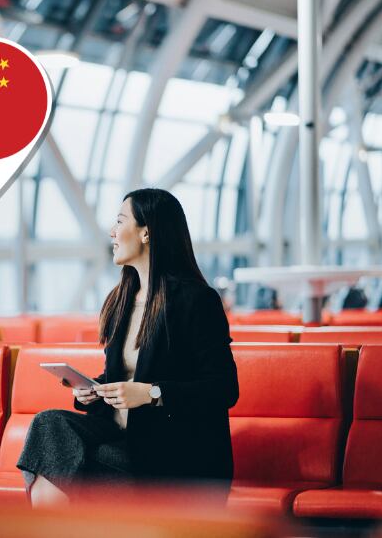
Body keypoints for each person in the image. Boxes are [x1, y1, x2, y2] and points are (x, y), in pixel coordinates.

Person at [17, 188, 239, 507]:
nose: (111, 231)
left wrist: (152, 394)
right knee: (49, 424)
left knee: (58, 464)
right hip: (125, 443)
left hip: (176, 456)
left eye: (120, 221)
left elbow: (224, 389)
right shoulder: (121, 300)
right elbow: (118, 374)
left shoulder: (197, 301)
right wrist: (93, 389)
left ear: (146, 232)